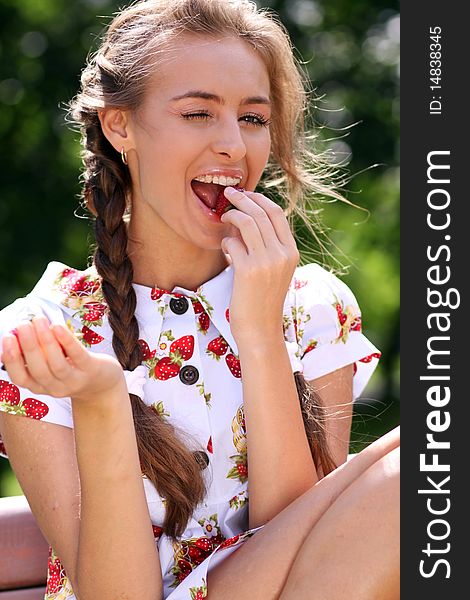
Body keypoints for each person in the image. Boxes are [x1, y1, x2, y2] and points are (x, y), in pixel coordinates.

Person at [0, 1, 399, 598]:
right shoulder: (44, 335)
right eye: (197, 113)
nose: (233, 147)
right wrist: (104, 400)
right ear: (120, 126)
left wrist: (260, 330)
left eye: (254, 120)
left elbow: (306, 543)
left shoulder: (310, 303)